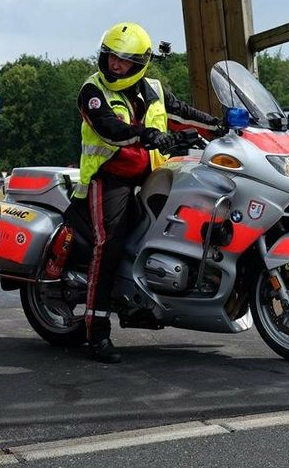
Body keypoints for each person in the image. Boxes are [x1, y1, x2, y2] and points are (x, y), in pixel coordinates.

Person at [75, 22, 223, 363]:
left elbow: (183, 114)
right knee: (109, 243)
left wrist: (222, 125)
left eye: (123, 60)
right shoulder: (93, 90)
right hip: (109, 178)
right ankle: (96, 331)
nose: (115, 65)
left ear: (139, 63)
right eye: (111, 57)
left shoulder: (153, 89)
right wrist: (151, 136)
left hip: (152, 174)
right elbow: (110, 129)